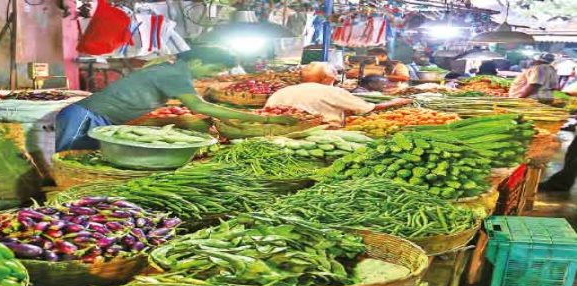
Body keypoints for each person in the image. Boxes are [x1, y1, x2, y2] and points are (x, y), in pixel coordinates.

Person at [55, 57, 297, 151]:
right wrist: (267, 119)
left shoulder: (171, 70)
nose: (208, 75)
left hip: (102, 118)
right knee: (68, 158)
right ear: (196, 60)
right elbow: (200, 107)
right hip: (85, 115)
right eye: (212, 67)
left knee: (86, 158)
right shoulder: (176, 74)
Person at [266, 63, 411, 123]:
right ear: (327, 77)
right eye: (334, 74)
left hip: (280, 135)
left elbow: (267, 113)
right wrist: (395, 102)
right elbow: (367, 108)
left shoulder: (281, 92)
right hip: (322, 135)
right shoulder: (332, 91)